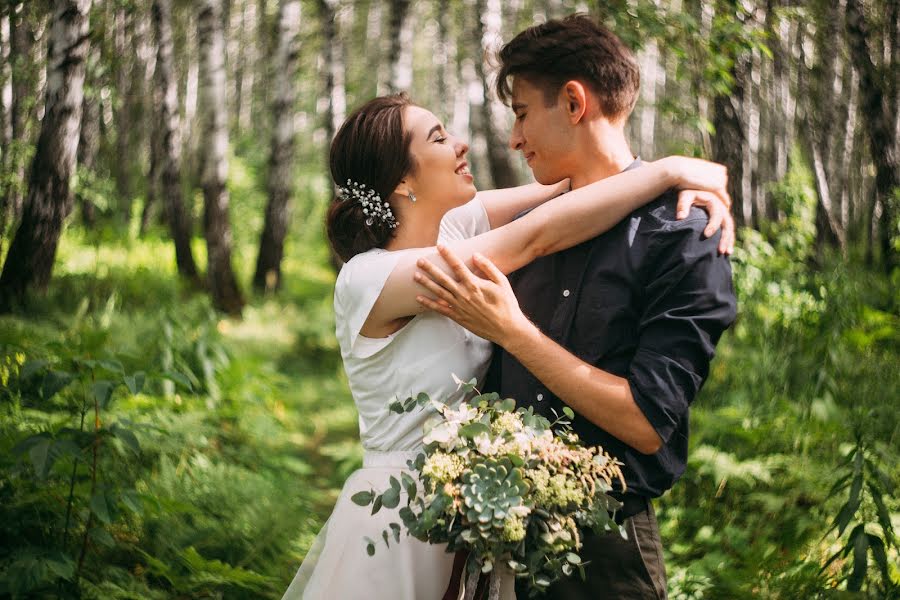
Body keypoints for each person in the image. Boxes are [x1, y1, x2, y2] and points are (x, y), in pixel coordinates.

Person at [281, 91, 733, 600]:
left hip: (469, 507)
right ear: (403, 181)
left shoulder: (449, 228)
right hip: (401, 517)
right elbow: (535, 237)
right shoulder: (372, 277)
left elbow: (573, 188)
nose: (461, 144)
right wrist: (669, 171)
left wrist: (686, 199)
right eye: (438, 137)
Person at [413, 15, 738, 600]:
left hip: (605, 551)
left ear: (572, 102)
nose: (514, 139)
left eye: (520, 112)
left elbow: (645, 422)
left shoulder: (685, 234)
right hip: (492, 535)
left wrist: (513, 332)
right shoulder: (520, 225)